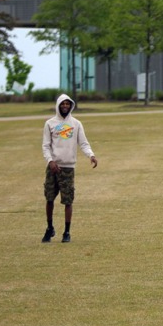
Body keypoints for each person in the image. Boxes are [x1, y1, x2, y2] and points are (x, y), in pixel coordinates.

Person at [41, 94, 98, 243]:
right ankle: (49, 228)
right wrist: (50, 161)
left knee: (68, 201)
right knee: (49, 199)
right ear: (58, 105)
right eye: (62, 104)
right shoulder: (50, 124)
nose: (65, 106)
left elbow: (83, 143)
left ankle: (66, 232)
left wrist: (91, 155)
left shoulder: (76, 124)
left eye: (67, 104)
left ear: (71, 105)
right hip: (53, 167)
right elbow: (46, 146)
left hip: (68, 168)